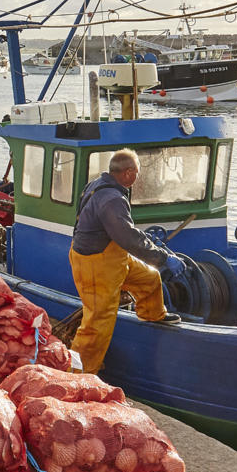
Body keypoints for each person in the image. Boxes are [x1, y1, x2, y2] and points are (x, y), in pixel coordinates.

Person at [70, 149, 181, 374]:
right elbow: (128, 237)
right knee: (96, 324)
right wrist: (163, 257)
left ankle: (153, 313)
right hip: (95, 265)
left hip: (113, 258)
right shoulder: (112, 199)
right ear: (128, 173)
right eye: (137, 173)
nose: (138, 178)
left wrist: (156, 260)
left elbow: (122, 234)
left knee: (149, 277)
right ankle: (78, 375)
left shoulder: (98, 184)